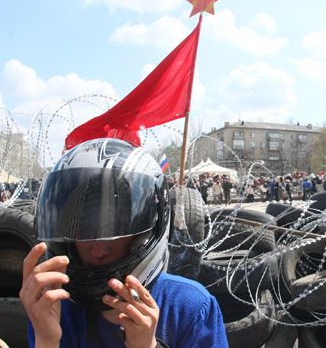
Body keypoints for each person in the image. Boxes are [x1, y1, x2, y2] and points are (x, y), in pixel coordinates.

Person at [20, 138, 228, 348]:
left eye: (115, 231)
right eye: (83, 232)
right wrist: (47, 340)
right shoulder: (55, 309)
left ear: (145, 234)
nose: (98, 250)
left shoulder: (189, 308)